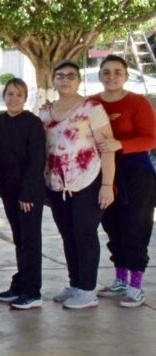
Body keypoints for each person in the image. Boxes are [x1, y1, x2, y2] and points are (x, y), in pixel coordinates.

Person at [40, 61, 116, 310]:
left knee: (84, 233)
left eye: (71, 76)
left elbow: (107, 149)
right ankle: (75, 284)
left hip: (88, 181)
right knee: (68, 235)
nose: (65, 80)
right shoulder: (45, 112)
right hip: (57, 185)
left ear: (79, 81)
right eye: (60, 76)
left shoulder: (92, 108)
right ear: (54, 80)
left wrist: (107, 184)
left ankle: (87, 289)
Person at [93, 55, 156, 308]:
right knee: (112, 226)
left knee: (135, 228)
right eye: (106, 72)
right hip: (104, 174)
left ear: (126, 76)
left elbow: (151, 139)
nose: (111, 76)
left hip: (137, 174)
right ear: (100, 75)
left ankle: (136, 285)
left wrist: (121, 144)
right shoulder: (92, 103)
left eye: (117, 72)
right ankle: (120, 279)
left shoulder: (137, 102)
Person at [0, 78, 47, 310]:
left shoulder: (32, 123)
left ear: (25, 98)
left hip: (28, 193)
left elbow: (36, 161)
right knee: (20, 239)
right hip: (8, 190)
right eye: (10, 94)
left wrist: (28, 194)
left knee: (30, 240)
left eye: (18, 94)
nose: (13, 98)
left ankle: (33, 291)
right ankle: (21, 284)